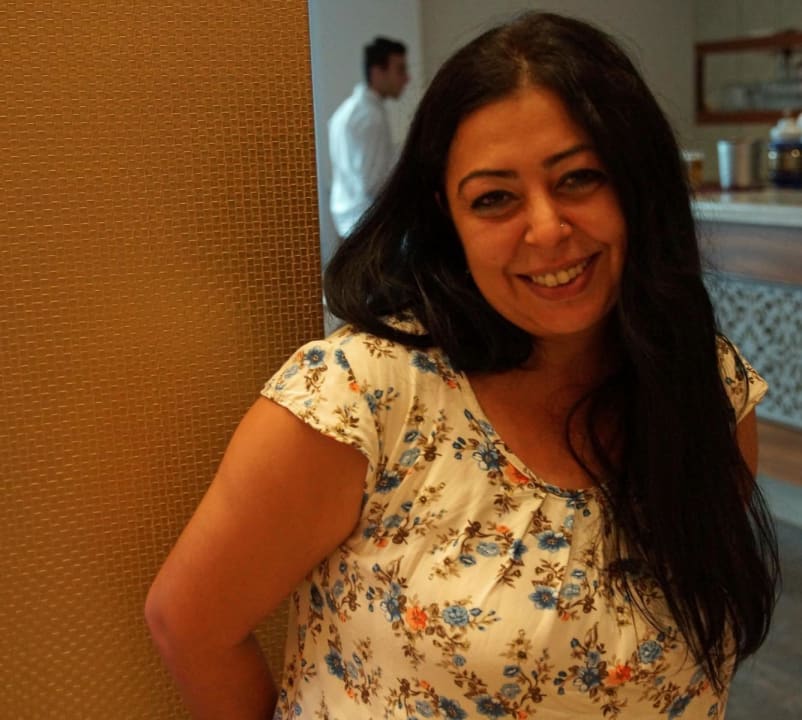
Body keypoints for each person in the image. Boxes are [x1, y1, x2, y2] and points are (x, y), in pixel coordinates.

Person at [145, 12, 780, 719]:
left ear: (639, 186)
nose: (547, 229)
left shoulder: (704, 385)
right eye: (494, 198)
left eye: (579, 178)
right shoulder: (360, 395)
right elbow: (189, 623)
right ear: (447, 220)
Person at [328, 36, 408, 238]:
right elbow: (373, 184)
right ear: (377, 72)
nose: (407, 78)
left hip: (347, 220)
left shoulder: (346, 111)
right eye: (400, 70)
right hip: (365, 224)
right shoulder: (370, 117)